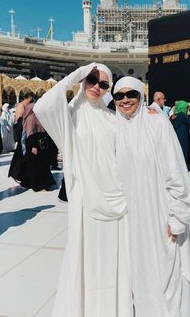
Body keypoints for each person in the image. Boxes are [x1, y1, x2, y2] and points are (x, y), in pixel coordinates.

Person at [34, 63, 132, 317]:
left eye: (103, 84)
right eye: (91, 80)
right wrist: (75, 76)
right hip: (85, 198)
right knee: (86, 254)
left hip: (117, 199)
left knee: (112, 258)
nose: (96, 87)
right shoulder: (70, 116)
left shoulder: (114, 119)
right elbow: (42, 107)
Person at [113, 76, 190, 317]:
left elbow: (176, 173)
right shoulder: (115, 128)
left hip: (160, 217)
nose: (126, 100)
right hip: (130, 222)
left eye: (132, 95)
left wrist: (179, 216)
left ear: (142, 97)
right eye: (119, 96)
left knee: (165, 280)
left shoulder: (157, 124)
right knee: (139, 283)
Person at [19, 101, 55, 191]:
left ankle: (30, 183)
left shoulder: (37, 117)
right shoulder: (31, 118)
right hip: (34, 143)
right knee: (37, 166)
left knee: (38, 165)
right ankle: (41, 185)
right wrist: (33, 146)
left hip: (40, 142)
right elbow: (31, 134)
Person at [170, 100, 190, 167]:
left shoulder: (174, 115)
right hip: (182, 135)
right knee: (183, 150)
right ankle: (182, 166)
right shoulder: (181, 115)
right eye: (186, 107)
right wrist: (189, 114)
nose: (187, 109)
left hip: (176, 134)